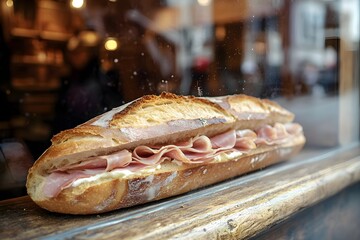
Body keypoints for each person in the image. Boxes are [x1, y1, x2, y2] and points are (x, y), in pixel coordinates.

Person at [53, 30, 123, 133]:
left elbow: (113, 107)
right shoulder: (70, 79)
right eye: (73, 54)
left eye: (79, 52)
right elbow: (62, 112)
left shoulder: (104, 78)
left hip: (97, 132)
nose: (75, 57)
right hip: (73, 133)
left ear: (89, 53)